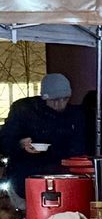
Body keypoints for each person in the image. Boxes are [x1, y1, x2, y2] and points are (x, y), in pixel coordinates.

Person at [0, 74, 88, 206]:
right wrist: (20, 144)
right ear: (44, 97)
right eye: (54, 100)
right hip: (25, 179)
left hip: (63, 180)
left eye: (65, 99)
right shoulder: (24, 110)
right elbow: (4, 141)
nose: (60, 104)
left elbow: (80, 146)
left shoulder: (75, 115)